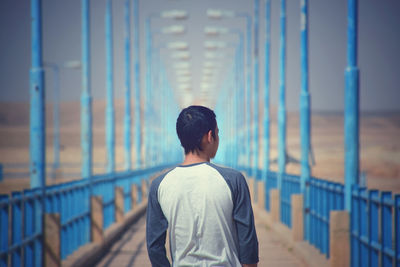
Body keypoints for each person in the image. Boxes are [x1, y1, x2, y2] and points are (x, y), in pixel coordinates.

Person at [146, 105, 259, 267]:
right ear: (210, 136)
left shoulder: (159, 185)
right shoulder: (233, 180)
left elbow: (154, 247)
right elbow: (248, 245)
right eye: (217, 133)